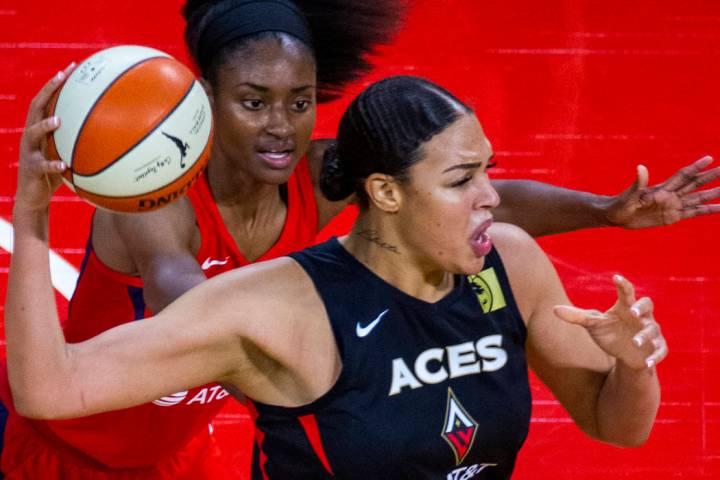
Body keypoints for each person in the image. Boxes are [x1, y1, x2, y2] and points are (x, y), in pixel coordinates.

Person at [3, 0, 719, 478]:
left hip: (178, 455)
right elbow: (181, 295)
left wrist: (604, 208)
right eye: (254, 103)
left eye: (302, 103)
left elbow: (465, 196)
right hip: (68, 449)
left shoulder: (320, 176)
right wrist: (291, 347)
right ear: (205, 99)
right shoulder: (161, 202)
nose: (282, 125)